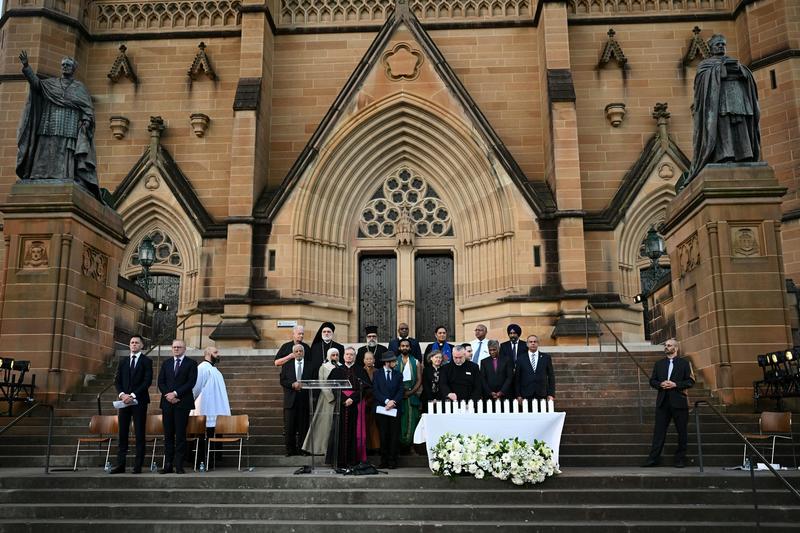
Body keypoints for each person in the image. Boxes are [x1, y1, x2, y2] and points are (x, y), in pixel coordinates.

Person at [17, 51, 100, 198]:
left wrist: (87, 121)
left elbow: (88, 108)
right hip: (49, 122)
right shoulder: (51, 84)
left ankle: (66, 176)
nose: (65, 67)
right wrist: (27, 67)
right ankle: (40, 174)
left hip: (69, 125)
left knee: (65, 152)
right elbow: (36, 85)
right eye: (63, 65)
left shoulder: (80, 88)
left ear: (73, 69)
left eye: (68, 65)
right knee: (46, 149)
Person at [684, 34, 760, 185]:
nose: (720, 47)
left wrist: (741, 71)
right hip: (720, 101)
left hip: (738, 99)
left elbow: (747, 76)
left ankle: (745, 154)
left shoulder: (735, 61)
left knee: (741, 127)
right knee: (724, 128)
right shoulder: (706, 65)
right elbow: (700, 82)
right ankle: (726, 155)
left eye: (722, 44)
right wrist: (721, 70)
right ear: (711, 48)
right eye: (717, 44)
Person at [643, 339, 695, 468]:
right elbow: (652, 381)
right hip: (663, 402)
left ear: (676, 348)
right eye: (665, 345)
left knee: (682, 431)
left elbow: (690, 381)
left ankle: (680, 459)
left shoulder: (684, 363)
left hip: (679, 402)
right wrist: (660, 384)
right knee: (659, 432)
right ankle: (653, 459)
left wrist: (675, 384)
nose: (666, 347)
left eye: (669, 345)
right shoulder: (659, 364)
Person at [110, 335, 152, 474]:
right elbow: (117, 380)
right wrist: (122, 394)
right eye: (132, 343)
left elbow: (147, 381)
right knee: (123, 433)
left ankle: (137, 465)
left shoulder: (147, 361)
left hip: (139, 401)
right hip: (124, 402)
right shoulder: (123, 361)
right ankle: (120, 465)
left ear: (141, 345)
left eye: (136, 343)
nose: (134, 345)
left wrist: (133, 395)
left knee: (139, 433)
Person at [157, 339, 198, 474]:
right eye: (174, 347)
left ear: (184, 349)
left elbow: (190, 382)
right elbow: (161, 382)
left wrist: (175, 393)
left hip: (182, 403)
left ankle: (179, 465)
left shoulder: (191, 364)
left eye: (179, 347)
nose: (176, 349)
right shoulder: (166, 363)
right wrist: (168, 395)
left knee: (180, 435)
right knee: (168, 435)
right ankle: (168, 464)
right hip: (167, 404)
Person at [326, 347, 367, 468]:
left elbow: (364, 387)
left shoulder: (360, 370)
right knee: (339, 431)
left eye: (352, 355)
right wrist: (344, 399)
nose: (349, 356)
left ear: (355, 357)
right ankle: (338, 461)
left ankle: (352, 460)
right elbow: (333, 386)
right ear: (343, 356)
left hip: (354, 405)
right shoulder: (337, 370)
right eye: (347, 354)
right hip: (341, 404)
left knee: (353, 431)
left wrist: (352, 399)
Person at [191, 346, 231, 468]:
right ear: (208, 354)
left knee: (213, 434)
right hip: (205, 408)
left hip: (216, 409)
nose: (218, 354)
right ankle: (201, 461)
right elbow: (196, 387)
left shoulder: (215, 370)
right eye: (215, 352)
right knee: (204, 436)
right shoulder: (202, 368)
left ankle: (212, 460)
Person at [302, 347, 339, 455]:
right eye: (333, 355)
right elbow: (322, 383)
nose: (335, 357)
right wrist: (331, 397)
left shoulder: (341, 367)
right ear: (329, 356)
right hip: (327, 399)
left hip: (340, 399)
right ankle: (322, 448)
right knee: (324, 425)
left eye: (337, 355)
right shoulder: (323, 367)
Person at [279, 344, 314, 456]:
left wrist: (304, 384)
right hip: (290, 401)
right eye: (296, 351)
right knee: (289, 428)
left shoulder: (310, 366)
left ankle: (303, 450)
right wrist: (292, 384)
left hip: (304, 400)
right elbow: (282, 381)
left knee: (303, 427)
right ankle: (290, 451)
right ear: (293, 353)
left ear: (303, 352)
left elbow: (314, 381)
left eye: (300, 351)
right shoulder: (286, 366)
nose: (299, 353)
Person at [373, 351, 404, 469]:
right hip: (382, 409)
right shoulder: (377, 374)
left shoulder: (398, 374)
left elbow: (401, 391)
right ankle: (384, 460)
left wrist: (393, 402)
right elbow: (375, 391)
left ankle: (392, 461)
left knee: (394, 435)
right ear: (387, 362)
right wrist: (386, 401)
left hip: (395, 409)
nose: (395, 363)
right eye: (393, 361)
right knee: (383, 434)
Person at [396, 339, 422, 450]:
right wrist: (401, 393)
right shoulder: (395, 362)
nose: (405, 347)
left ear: (410, 348)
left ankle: (411, 446)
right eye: (402, 346)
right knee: (401, 420)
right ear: (399, 348)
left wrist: (410, 393)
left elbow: (419, 380)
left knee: (413, 419)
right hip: (398, 396)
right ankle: (401, 447)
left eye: (407, 346)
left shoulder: (415, 361)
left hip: (412, 395)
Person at [360, 352, 381, 453]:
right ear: (364, 360)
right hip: (364, 400)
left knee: (374, 425)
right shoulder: (360, 371)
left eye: (371, 359)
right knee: (364, 424)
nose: (369, 361)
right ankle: (365, 447)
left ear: (374, 360)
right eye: (367, 359)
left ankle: (375, 447)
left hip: (375, 400)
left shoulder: (377, 371)